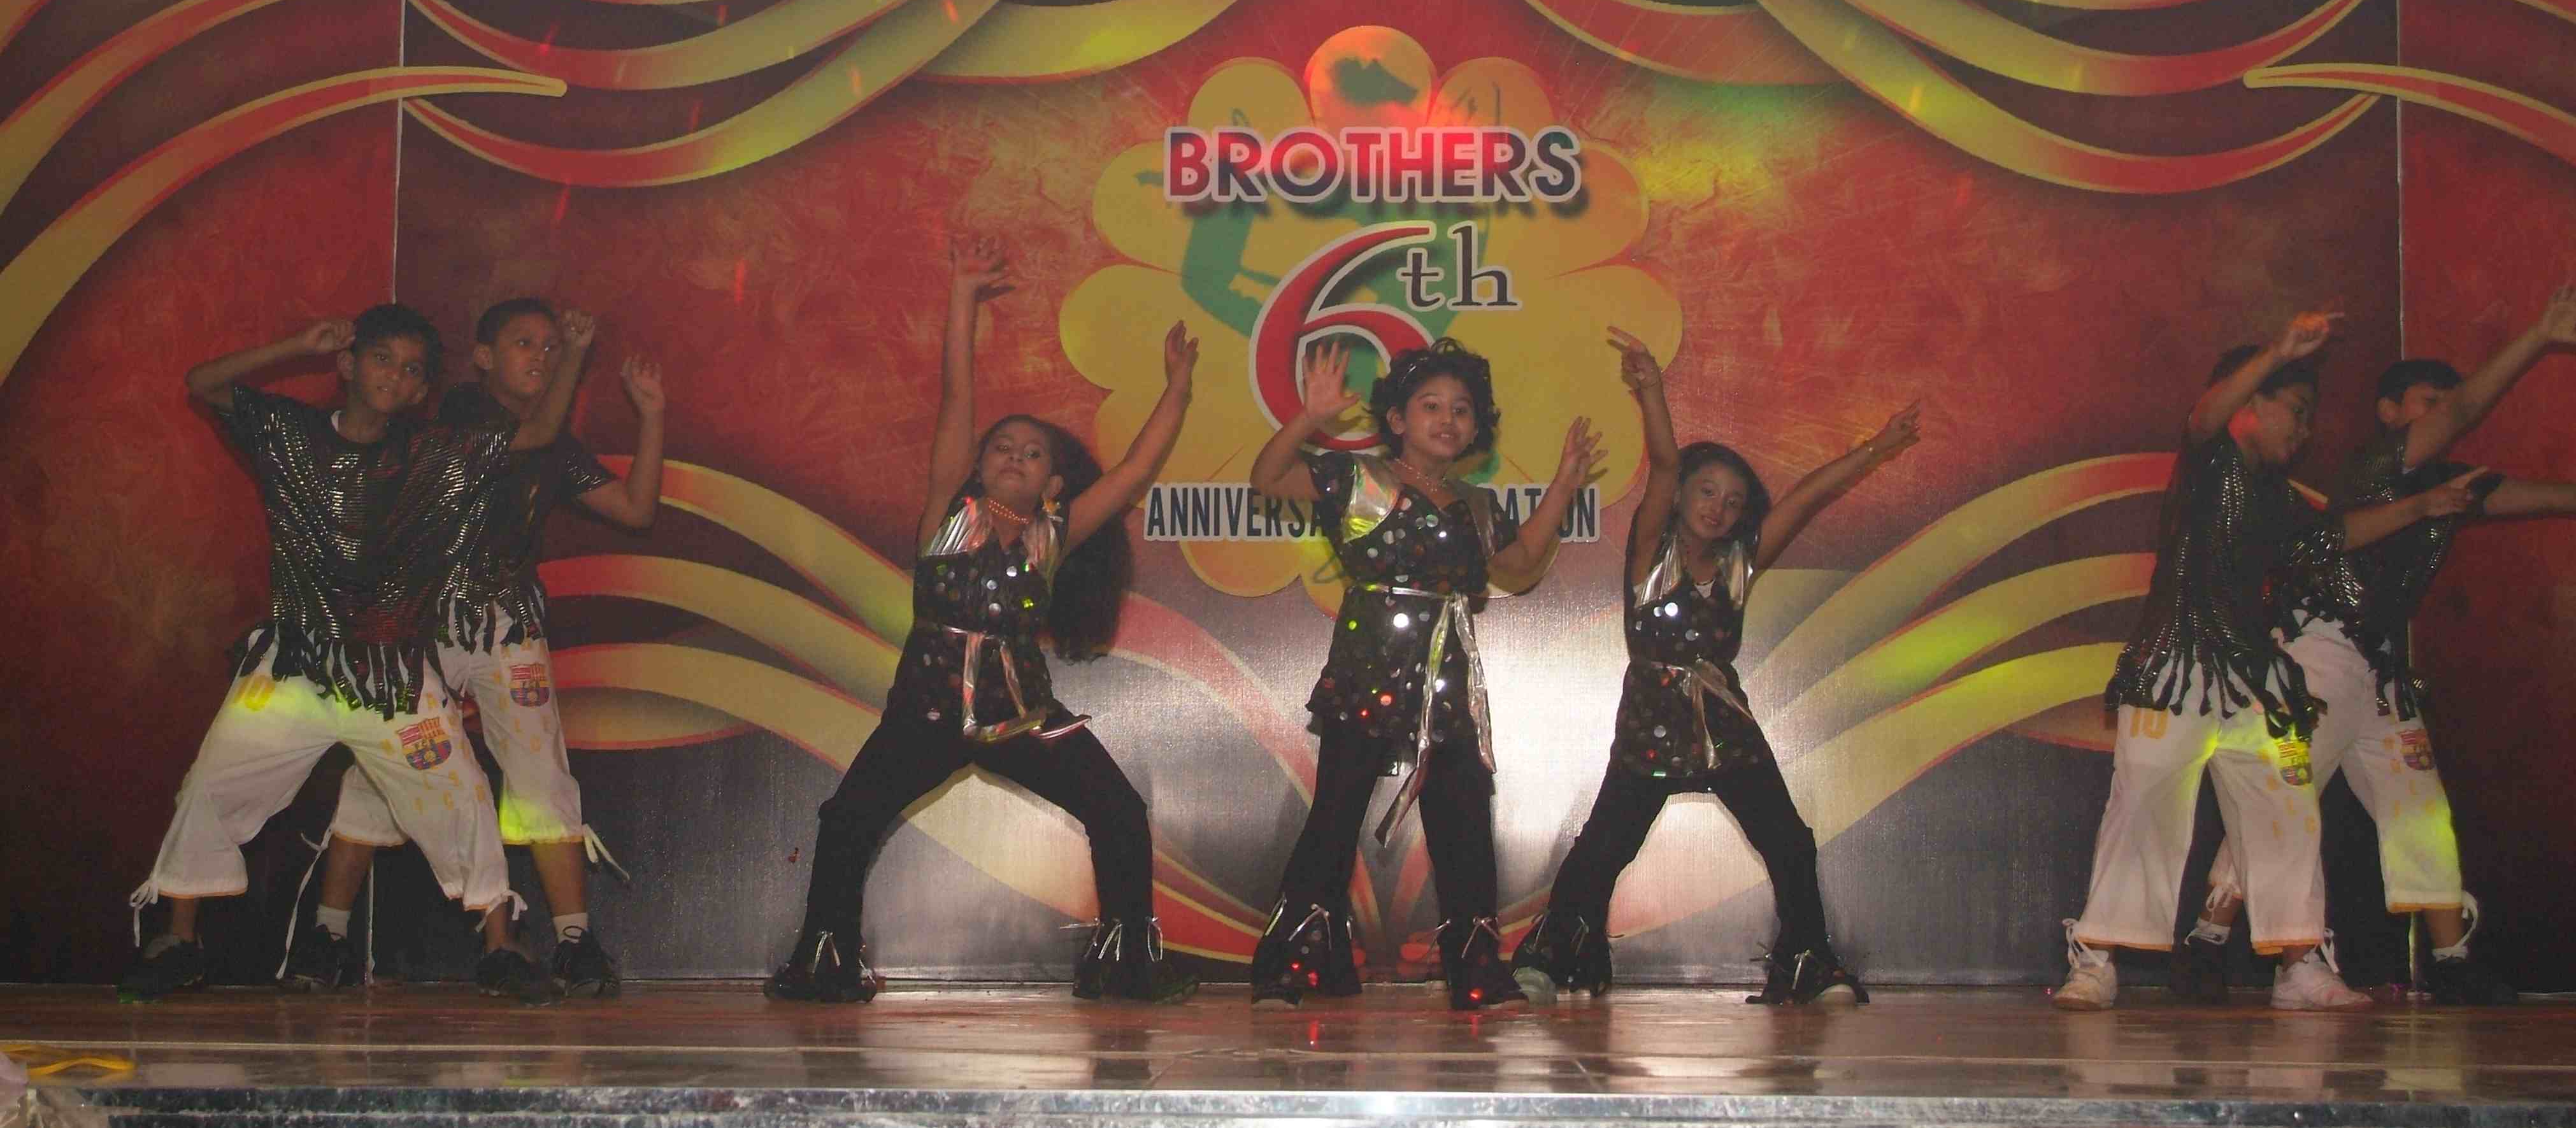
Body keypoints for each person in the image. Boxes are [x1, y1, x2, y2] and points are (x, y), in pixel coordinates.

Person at [2178, 284, 2576, 1004]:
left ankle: (2450, 958)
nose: (2443, 414)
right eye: (2427, 402)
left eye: (2443, 404)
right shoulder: (2374, 467)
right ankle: (2208, 942)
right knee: (2278, 797)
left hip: (2379, 668)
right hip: (2315, 653)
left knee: (2418, 805)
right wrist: (2537, 335)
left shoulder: (2455, 485)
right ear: (2389, 413)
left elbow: (2557, 494)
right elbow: (2462, 412)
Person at [768, 238, 1202, 1004]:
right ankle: (826, 959)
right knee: (846, 818)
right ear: (977, 463)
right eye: (1002, 447)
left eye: (1032, 454)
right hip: (925, 714)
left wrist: (1178, 387)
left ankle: (1127, 958)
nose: (1014, 456)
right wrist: (963, 298)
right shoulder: (948, 515)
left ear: (1053, 482)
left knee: (1118, 808)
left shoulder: (1053, 536)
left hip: (1022, 716)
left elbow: (1134, 470)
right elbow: (956, 401)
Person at [121, 304, 594, 1004]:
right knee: (212, 785)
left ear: (422, 389)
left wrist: (574, 352)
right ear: (347, 365)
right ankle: (178, 941)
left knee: (463, 799)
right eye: (381, 359)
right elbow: (203, 382)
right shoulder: (290, 433)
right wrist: (295, 343)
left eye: (411, 370)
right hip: (295, 671)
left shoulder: (433, 454)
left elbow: (540, 432)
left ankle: (501, 947)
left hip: (393, 678)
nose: (394, 376)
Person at [2053, 311, 2482, 1011]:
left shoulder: (2278, 499)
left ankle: (2299, 964)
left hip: (2257, 683)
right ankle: (2096, 958)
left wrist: (2420, 508)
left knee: (2286, 810)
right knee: (2146, 809)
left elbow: (2332, 535)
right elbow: (2203, 417)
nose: (2305, 430)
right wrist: (2278, 349)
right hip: (2176, 671)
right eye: (2297, 411)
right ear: (2249, 403)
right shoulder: (2210, 463)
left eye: (2310, 416)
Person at [1513, 328, 1917, 1006]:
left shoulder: (1738, 564)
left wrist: (1879, 446)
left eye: (1731, 501)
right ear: (1679, 497)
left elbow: (1806, 497)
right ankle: (1557, 957)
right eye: (1705, 492)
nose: (1717, 508)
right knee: (1604, 846)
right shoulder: (1650, 552)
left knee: (1788, 842)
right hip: (1650, 720)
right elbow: (1663, 464)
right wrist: (1651, 390)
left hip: (1724, 724)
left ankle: (1808, 962)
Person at [290, 298, 668, 997]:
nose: (542, 357)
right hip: (421, 620)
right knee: (382, 770)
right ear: (485, 358)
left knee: (540, 774)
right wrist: (577, 356)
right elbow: (533, 430)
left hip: (505, 622)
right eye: (526, 343)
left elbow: (635, 510)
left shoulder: (553, 444)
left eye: (552, 347)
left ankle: (574, 941)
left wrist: (651, 416)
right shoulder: (457, 413)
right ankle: (328, 936)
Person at [1246, 336, 1602, 1011]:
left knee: (1462, 811)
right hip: (1367, 665)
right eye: (1430, 405)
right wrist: (1308, 418)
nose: (1447, 418)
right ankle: (1296, 959)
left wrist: (1562, 485)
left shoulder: (1475, 504)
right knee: (1336, 812)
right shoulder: (1361, 480)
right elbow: (1267, 479)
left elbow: (1522, 564)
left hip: (1448, 676)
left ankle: (1475, 968)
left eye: (1462, 409)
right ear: (1398, 419)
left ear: (1477, 427)